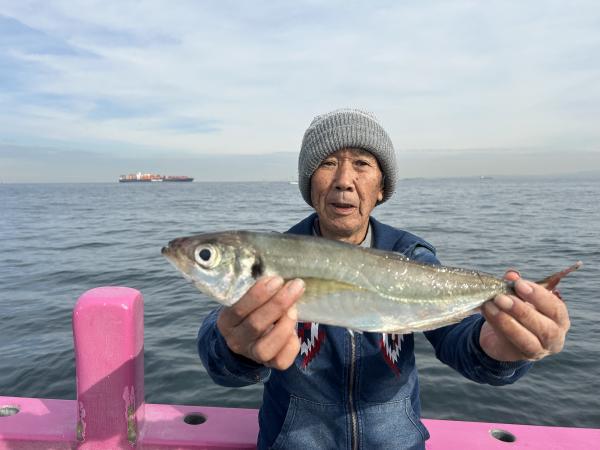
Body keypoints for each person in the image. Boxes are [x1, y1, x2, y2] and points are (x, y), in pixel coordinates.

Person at [198, 109, 570, 450]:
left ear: (381, 187)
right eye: (328, 163)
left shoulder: (410, 255)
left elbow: (457, 337)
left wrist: (497, 348)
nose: (344, 181)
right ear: (309, 185)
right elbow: (219, 349)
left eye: (361, 163)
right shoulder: (276, 255)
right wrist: (234, 349)